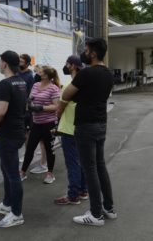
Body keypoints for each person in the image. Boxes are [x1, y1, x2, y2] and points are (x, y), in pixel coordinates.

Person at [62, 38, 117, 226]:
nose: (84, 53)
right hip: (101, 124)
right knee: (100, 166)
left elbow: (66, 94)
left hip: (86, 126)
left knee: (90, 169)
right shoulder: (108, 74)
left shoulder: (86, 74)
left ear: (93, 53)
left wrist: (78, 93)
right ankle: (108, 208)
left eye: (86, 50)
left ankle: (95, 214)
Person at [0, 50, 27, 228]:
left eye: (0, 61)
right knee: (6, 169)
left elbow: (1, 111)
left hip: (8, 134)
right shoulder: (21, 82)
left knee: (13, 174)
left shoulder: (5, 84)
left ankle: (16, 213)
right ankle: (7, 203)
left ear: (5, 64)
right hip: (17, 132)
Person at [54, 55, 88, 205]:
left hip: (69, 130)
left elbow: (60, 109)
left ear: (73, 66)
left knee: (72, 163)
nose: (65, 66)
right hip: (83, 129)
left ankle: (73, 195)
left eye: (67, 64)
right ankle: (83, 190)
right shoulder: (87, 86)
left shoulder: (70, 87)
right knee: (82, 162)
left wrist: (57, 119)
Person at [20, 65, 60, 184]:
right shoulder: (36, 85)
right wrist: (28, 102)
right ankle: (22, 172)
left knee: (49, 149)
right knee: (30, 148)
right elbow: (31, 98)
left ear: (46, 75)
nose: (37, 72)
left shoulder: (53, 88)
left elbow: (56, 106)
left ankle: (50, 173)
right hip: (36, 123)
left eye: (40, 71)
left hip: (49, 123)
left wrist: (41, 107)